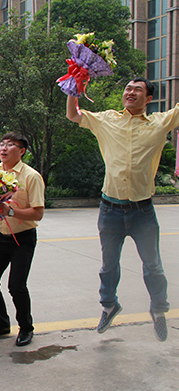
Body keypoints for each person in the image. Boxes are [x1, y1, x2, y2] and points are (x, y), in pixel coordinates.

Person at [66, 77, 177, 342]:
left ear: (148, 99)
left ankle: (159, 311)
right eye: (128, 88)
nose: (131, 92)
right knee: (108, 267)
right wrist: (74, 87)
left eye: (138, 90)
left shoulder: (161, 123)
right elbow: (73, 114)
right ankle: (109, 306)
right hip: (110, 211)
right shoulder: (107, 119)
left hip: (143, 213)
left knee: (153, 266)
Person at [0, 132, 45, 346]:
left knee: (17, 286)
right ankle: (2, 323)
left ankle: (26, 327)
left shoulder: (31, 176)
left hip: (22, 238)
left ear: (21, 151)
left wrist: (10, 212)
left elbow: (38, 213)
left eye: (10, 145)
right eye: (1, 144)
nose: (3, 148)